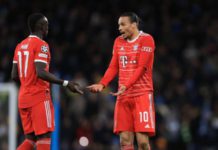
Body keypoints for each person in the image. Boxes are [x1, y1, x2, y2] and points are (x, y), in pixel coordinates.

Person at [11, 13, 83, 150]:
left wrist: (27, 81)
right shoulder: (42, 45)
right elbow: (41, 72)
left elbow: (14, 75)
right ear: (41, 26)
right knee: (44, 137)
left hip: (23, 98)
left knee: (30, 140)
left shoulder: (19, 46)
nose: (48, 28)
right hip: (38, 97)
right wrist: (66, 83)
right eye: (47, 25)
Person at [87, 12, 155, 150]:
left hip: (141, 95)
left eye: (123, 24)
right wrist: (102, 84)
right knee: (124, 141)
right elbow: (113, 66)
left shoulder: (147, 39)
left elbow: (142, 67)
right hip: (123, 96)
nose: (119, 28)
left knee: (142, 141)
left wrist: (127, 85)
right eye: (119, 25)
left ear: (134, 25)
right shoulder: (118, 41)